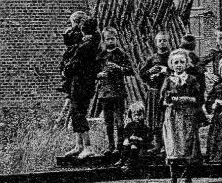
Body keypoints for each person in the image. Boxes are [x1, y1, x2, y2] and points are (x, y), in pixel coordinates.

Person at [158, 48, 205, 183]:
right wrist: (168, 102)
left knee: (187, 143)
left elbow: (199, 98)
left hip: (187, 115)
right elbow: (162, 99)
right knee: (173, 143)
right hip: (172, 116)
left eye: (182, 62)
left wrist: (187, 99)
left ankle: (187, 175)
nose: (179, 65)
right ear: (171, 64)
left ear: (186, 64)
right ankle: (173, 176)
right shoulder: (168, 80)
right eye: (176, 62)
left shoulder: (192, 79)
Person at [93, 27, 135, 157]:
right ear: (104, 40)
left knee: (119, 120)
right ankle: (110, 146)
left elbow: (130, 70)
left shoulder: (121, 54)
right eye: (108, 39)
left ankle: (120, 145)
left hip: (118, 91)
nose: (110, 41)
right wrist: (99, 75)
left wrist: (119, 68)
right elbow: (93, 72)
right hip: (105, 92)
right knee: (108, 121)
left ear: (116, 39)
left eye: (113, 38)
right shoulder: (101, 55)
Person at [66, 20, 104, 158]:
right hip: (84, 83)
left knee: (78, 113)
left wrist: (66, 71)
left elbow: (74, 64)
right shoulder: (93, 44)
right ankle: (79, 145)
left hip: (81, 83)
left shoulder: (85, 46)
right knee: (76, 112)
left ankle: (87, 146)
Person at [117, 103, 156, 170]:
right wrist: (128, 138)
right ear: (131, 116)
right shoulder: (129, 125)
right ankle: (122, 159)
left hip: (141, 144)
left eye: (139, 115)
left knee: (133, 146)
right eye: (134, 115)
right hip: (130, 142)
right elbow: (125, 134)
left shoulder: (144, 127)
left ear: (143, 115)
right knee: (125, 144)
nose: (136, 117)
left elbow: (149, 137)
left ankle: (128, 163)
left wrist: (140, 138)